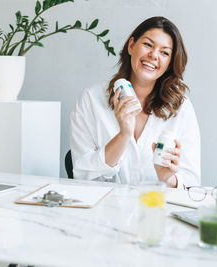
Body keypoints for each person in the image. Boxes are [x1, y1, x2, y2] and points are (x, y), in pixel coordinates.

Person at [69, 16, 200, 188]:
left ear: (169, 64)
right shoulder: (91, 100)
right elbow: (81, 173)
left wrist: (169, 178)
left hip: (156, 210)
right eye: (148, 45)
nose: (153, 55)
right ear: (131, 46)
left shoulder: (181, 109)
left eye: (164, 52)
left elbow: (192, 183)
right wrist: (123, 135)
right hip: (104, 210)